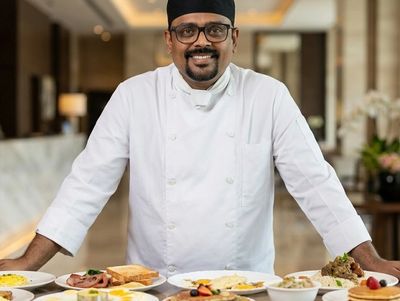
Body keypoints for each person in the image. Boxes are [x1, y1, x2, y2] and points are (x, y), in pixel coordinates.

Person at [1, 0, 399, 279]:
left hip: (246, 286)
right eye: (187, 30)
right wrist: (28, 263)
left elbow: (315, 181)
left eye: (215, 29)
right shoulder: (133, 95)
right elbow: (86, 184)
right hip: (154, 285)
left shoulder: (268, 95)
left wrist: (370, 258)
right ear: (169, 39)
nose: (201, 42)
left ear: (234, 37)